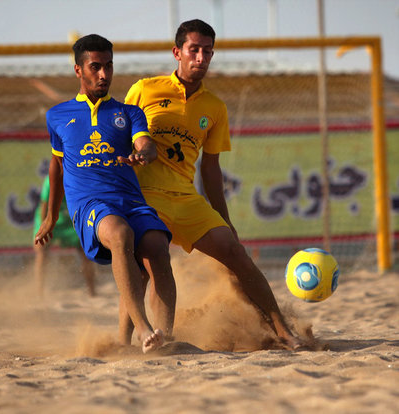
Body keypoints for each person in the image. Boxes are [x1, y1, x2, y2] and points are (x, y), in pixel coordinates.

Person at [124, 19, 305, 350]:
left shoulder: (214, 108)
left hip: (185, 198)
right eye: (194, 50)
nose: (201, 58)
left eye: (208, 51)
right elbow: (120, 137)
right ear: (177, 52)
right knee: (146, 264)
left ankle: (282, 330)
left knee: (235, 253)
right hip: (145, 196)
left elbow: (210, 170)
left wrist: (226, 220)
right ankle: (137, 339)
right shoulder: (145, 89)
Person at [34, 34, 176, 353]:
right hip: (91, 205)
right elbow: (56, 168)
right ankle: (143, 330)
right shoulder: (58, 116)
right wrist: (51, 216)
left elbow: (146, 145)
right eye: (95, 67)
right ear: (78, 70)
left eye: (109, 66)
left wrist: (144, 154)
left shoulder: (129, 113)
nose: (104, 74)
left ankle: (164, 339)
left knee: (156, 247)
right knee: (120, 234)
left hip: (131, 201)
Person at [33, 176, 96, 297]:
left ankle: (92, 290)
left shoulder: (80, 175)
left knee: (86, 251)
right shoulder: (51, 179)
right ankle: (39, 291)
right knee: (41, 250)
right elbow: (44, 205)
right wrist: (44, 226)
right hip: (50, 217)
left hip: (71, 219)